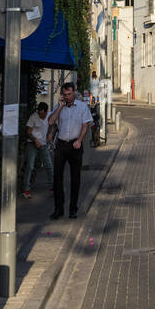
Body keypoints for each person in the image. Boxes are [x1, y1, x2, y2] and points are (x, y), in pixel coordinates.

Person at [48, 81, 91, 219]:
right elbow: (50, 121)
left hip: (75, 145)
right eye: (65, 95)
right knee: (57, 177)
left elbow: (85, 125)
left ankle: (73, 209)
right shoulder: (59, 106)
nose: (67, 97)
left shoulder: (82, 107)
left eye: (69, 94)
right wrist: (60, 107)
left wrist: (79, 140)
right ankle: (58, 209)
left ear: (74, 93)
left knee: (75, 178)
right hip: (61, 145)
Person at [22, 102, 53, 198]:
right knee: (30, 166)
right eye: (39, 113)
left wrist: (50, 134)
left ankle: (52, 187)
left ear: (46, 112)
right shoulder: (33, 117)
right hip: (32, 143)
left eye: (42, 114)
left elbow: (52, 124)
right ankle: (26, 190)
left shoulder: (49, 115)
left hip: (43, 144)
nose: (41, 116)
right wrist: (35, 140)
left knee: (49, 165)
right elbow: (28, 131)